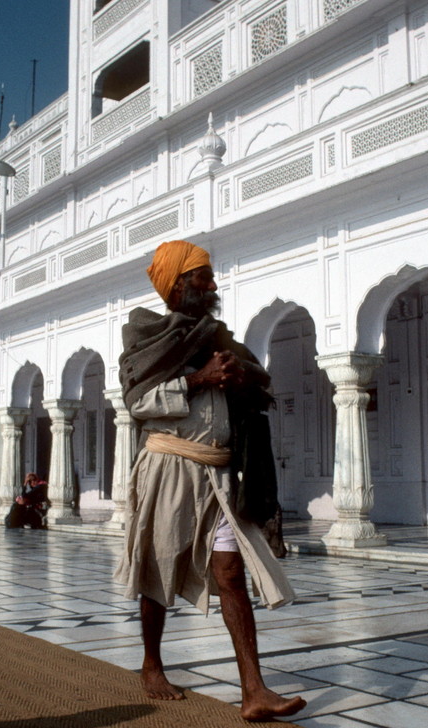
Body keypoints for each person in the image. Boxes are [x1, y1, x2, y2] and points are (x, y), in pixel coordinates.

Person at [115, 240, 305, 721]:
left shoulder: (215, 335)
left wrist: (236, 372)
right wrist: (198, 380)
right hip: (169, 468)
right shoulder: (146, 336)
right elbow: (138, 404)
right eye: (202, 276)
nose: (213, 284)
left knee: (231, 573)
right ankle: (152, 664)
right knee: (157, 568)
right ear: (179, 283)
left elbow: (258, 380)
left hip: (220, 473)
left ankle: (254, 691)